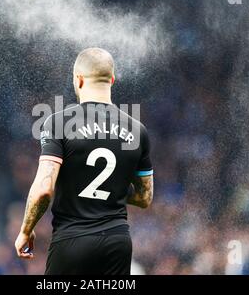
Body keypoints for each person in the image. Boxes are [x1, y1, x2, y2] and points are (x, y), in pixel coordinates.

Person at [15, 47, 154, 274]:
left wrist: (25, 230)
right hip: (117, 244)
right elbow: (144, 197)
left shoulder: (59, 123)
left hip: (72, 241)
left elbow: (43, 190)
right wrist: (114, 188)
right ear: (112, 80)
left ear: (78, 80)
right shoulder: (137, 130)